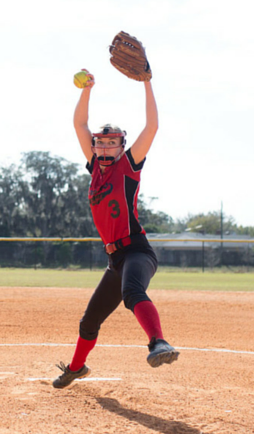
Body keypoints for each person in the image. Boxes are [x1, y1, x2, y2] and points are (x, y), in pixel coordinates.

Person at [53, 69, 178, 390]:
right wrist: (87, 90)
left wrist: (147, 82)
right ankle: (76, 368)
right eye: (101, 143)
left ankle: (158, 343)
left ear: (122, 147)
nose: (105, 148)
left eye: (112, 143)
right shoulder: (95, 169)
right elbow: (79, 125)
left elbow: (152, 127)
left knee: (132, 293)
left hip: (137, 251)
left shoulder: (127, 166)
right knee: (88, 322)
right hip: (114, 260)